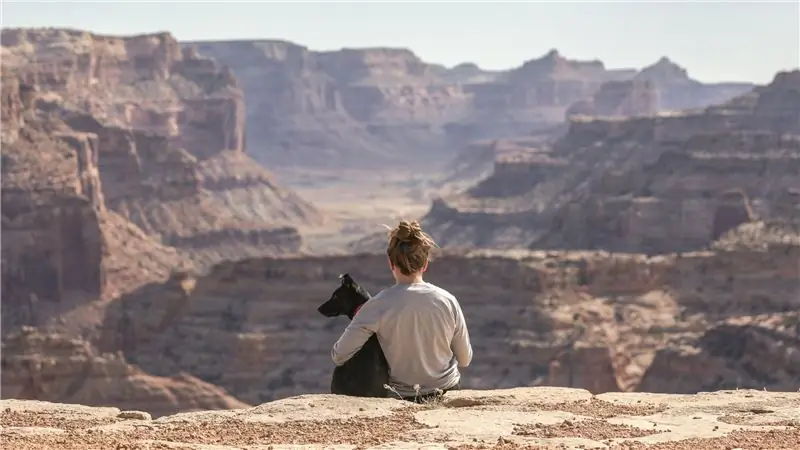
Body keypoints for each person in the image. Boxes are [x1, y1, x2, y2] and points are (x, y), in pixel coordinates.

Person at [331, 220, 473, 402]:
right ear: (425, 265)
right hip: (447, 391)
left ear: (391, 263)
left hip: (403, 397)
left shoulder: (377, 305)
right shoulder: (448, 300)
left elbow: (339, 355)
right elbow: (465, 359)